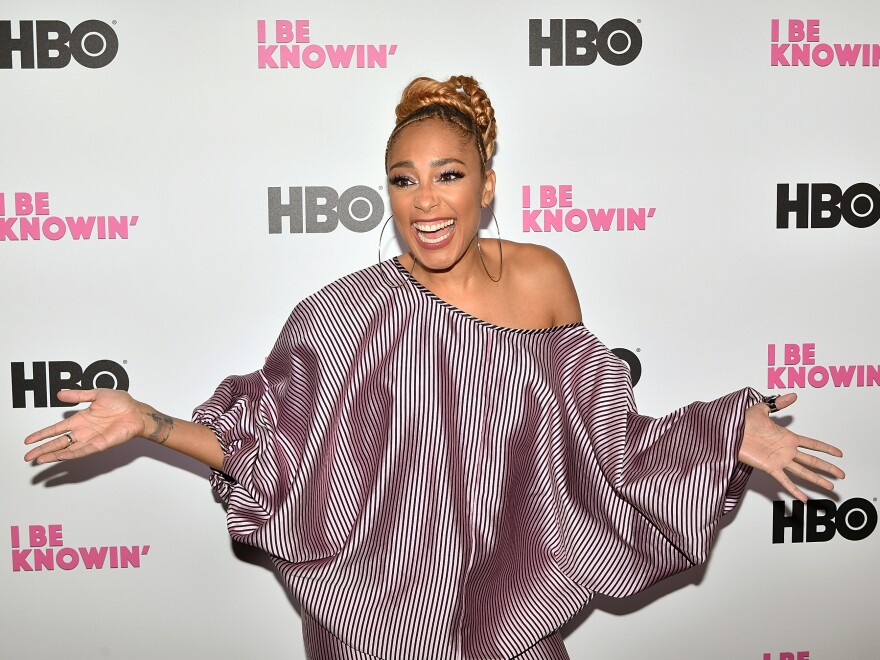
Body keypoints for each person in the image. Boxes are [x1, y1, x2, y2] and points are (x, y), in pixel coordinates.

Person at [24, 75, 844, 660]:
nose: (425, 202)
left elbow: (603, 445)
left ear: (487, 185)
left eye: (448, 176)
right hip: (375, 632)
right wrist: (151, 422)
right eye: (404, 181)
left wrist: (724, 430)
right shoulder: (342, 314)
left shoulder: (541, 279)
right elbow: (265, 453)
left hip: (507, 623)